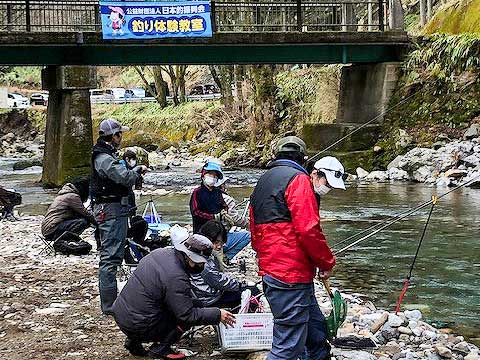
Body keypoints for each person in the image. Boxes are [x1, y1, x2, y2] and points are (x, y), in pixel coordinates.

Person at [250, 136, 340, 360]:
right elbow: (309, 229)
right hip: (291, 274)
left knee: (315, 330)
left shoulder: (263, 181)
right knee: (287, 346)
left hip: (274, 271)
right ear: (303, 159)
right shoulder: (299, 180)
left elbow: (253, 229)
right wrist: (326, 262)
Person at [112, 233, 236, 358]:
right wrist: (218, 314)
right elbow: (187, 315)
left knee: (184, 304)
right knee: (189, 313)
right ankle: (161, 348)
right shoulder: (177, 277)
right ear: (189, 258)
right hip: (139, 324)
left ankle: (134, 340)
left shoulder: (161, 253)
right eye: (200, 263)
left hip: (122, 314)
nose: (202, 266)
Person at [91, 118, 147, 315]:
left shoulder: (105, 154)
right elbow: (124, 177)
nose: (121, 137)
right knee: (110, 258)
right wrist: (136, 172)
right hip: (110, 211)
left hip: (114, 209)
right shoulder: (103, 158)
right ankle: (109, 306)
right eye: (119, 134)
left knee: (113, 255)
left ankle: (111, 303)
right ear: (114, 136)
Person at [190, 220, 259, 310]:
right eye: (216, 242)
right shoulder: (203, 261)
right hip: (209, 299)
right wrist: (241, 285)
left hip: (203, 294)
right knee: (253, 292)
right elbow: (218, 281)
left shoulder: (198, 251)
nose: (219, 246)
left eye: (221, 243)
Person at [190, 161, 250, 260]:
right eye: (210, 174)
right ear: (204, 175)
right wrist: (213, 217)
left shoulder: (218, 193)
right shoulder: (197, 193)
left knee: (247, 236)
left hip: (219, 236)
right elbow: (195, 212)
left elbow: (225, 208)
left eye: (215, 175)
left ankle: (225, 258)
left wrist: (225, 213)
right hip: (202, 235)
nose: (213, 177)